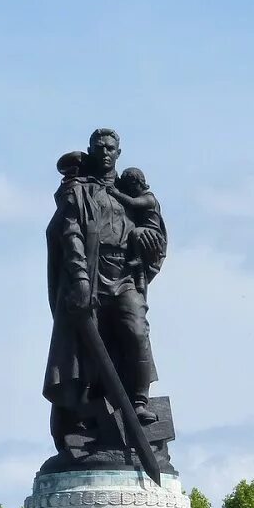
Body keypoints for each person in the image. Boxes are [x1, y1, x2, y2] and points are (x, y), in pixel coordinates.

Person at [43, 127, 169, 455]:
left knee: (136, 330)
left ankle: (139, 402)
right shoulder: (79, 190)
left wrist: (145, 235)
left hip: (124, 274)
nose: (105, 152)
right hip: (92, 275)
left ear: (119, 152)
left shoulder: (131, 191)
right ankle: (86, 420)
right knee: (86, 352)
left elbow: (156, 231)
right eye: (99, 147)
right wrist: (81, 279)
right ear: (91, 149)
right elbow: (69, 233)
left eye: (111, 147)